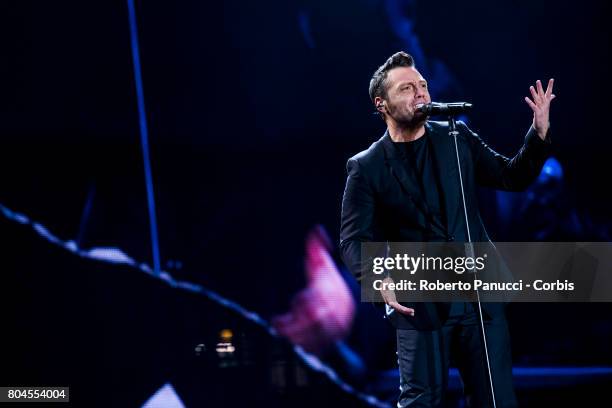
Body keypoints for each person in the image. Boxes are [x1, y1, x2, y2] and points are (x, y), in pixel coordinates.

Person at [339, 51, 555, 407]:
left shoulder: (455, 137)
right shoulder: (367, 167)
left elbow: (510, 176)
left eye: (422, 85)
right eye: (407, 88)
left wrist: (538, 133)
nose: (420, 93)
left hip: (479, 296)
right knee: (421, 400)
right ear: (382, 104)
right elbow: (353, 238)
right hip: (419, 301)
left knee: (496, 400)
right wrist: (379, 279)